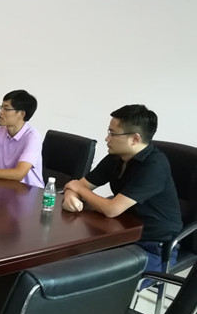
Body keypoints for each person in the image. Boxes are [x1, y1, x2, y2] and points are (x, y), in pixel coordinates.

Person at [63, 104, 182, 279]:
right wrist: (70, 194)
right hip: (119, 233)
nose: (107, 138)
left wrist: (77, 188)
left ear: (135, 139)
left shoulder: (154, 166)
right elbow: (79, 185)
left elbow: (112, 209)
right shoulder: (116, 157)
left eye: (112, 133)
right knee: (68, 259)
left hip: (152, 246)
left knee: (90, 278)